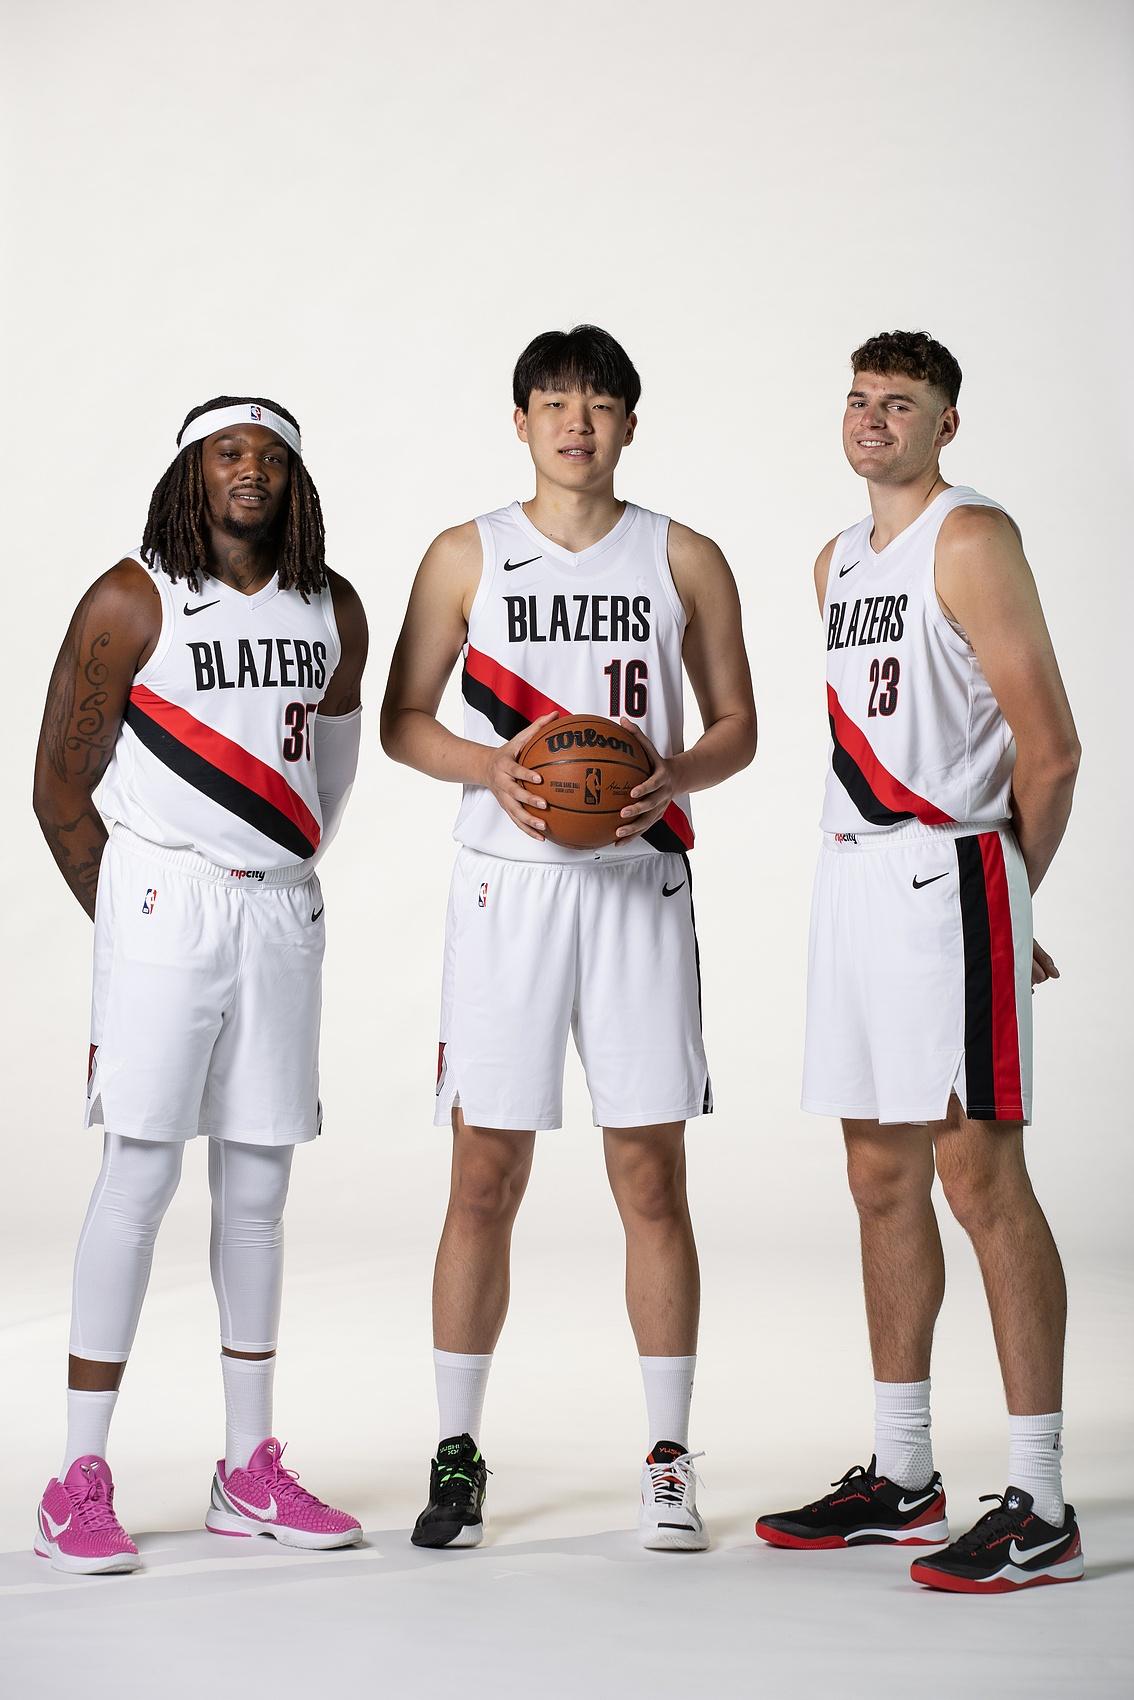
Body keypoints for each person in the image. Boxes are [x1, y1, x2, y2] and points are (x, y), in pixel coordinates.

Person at [382, 324, 756, 1551]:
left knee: (650, 1174)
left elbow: (739, 723)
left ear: (631, 422)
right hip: (509, 888)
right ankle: (456, 1449)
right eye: (553, 403)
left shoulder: (684, 554)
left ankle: (667, 1456)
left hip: (639, 881)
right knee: (483, 1173)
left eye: (598, 404)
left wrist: (676, 773)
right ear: (521, 420)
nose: (576, 423)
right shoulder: (466, 552)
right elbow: (402, 718)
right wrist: (488, 766)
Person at [755, 331, 1083, 1592]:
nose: (873, 418)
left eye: (901, 403)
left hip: (947, 867)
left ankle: (1040, 1500)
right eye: (859, 398)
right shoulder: (836, 559)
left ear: (947, 424)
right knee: (878, 1174)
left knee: (979, 1175)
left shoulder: (971, 536)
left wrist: (1005, 894)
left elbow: (1051, 748)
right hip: (853, 878)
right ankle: (903, 1475)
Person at [32, 396, 368, 1572]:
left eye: (272, 456)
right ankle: (77, 1475)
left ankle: (247, 1466)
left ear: (294, 480)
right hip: (163, 902)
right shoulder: (133, 598)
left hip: (278, 908)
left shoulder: (334, 606)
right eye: (230, 452)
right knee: (138, 1174)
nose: (252, 470)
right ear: (193, 469)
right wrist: (129, 923)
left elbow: (330, 776)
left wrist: (279, 866)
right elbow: (57, 785)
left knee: (260, 1184)